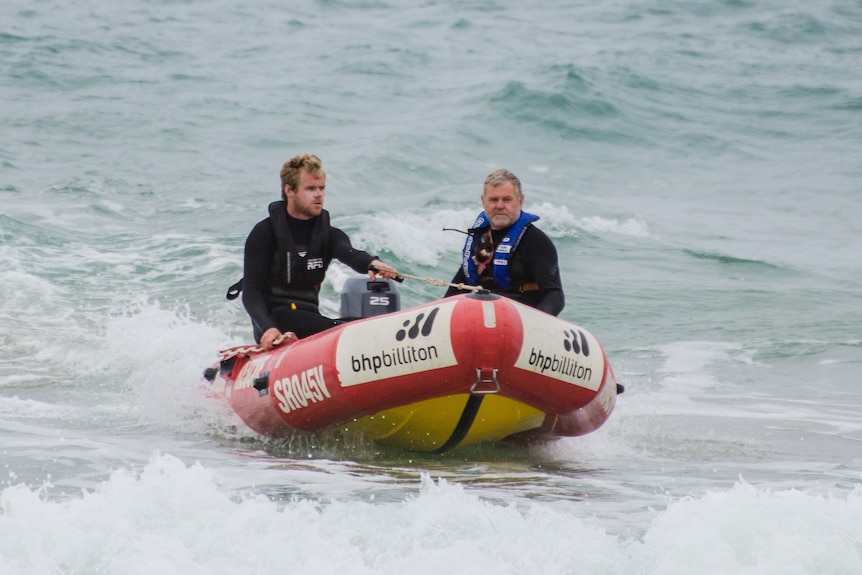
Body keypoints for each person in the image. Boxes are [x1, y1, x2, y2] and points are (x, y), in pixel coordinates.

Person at [235, 152, 397, 349]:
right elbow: (251, 292)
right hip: (276, 322)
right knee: (348, 330)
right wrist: (267, 328)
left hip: (310, 320)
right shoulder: (264, 233)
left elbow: (348, 252)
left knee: (359, 324)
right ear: (289, 190)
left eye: (321, 188)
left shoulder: (328, 234)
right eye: (311, 188)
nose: (319, 194)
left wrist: (371, 263)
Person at [444, 168, 565, 316]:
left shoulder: (536, 241)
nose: (499, 206)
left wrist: (537, 323)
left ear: (520, 201)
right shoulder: (480, 237)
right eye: (493, 200)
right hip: (484, 316)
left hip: (523, 317)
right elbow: (457, 289)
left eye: (507, 199)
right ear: (483, 201)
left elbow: (555, 296)